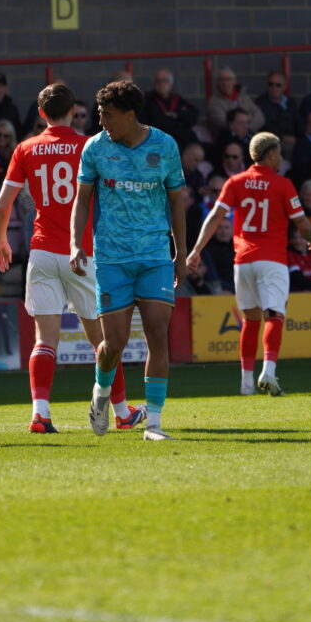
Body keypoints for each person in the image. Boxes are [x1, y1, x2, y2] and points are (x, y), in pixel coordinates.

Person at [0, 83, 146, 433]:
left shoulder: (25, 148)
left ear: (41, 113)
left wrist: (0, 242)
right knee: (102, 341)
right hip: (82, 253)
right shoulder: (89, 146)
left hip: (42, 251)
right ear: (74, 111)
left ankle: (40, 414)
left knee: (45, 340)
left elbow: (3, 204)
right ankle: (121, 412)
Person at [71, 80, 186, 441]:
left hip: (154, 256)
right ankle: (101, 394)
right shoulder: (94, 148)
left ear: (130, 115)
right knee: (113, 345)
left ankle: (153, 423)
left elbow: (177, 202)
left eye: (107, 114)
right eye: (99, 113)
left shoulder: (165, 146)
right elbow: (83, 200)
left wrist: (180, 253)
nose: (101, 120)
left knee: (157, 335)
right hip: (112, 258)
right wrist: (77, 243)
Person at [187, 132, 311, 396]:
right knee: (275, 315)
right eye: (279, 154)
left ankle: (246, 383)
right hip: (271, 260)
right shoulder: (283, 185)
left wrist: (196, 250)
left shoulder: (235, 182)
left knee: (250, 320)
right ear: (270, 155)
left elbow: (215, 216)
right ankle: (268, 371)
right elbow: (301, 222)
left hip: (243, 261)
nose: (281, 159)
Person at [141, 68, 199, 148]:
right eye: (158, 81)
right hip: (160, 141)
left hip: (182, 137)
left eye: (165, 81)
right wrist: (177, 120)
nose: (161, 84)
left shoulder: (177, 99)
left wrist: (177, 114)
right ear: (154, 83)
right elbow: (155, 121)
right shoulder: (147, 100)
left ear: (171, 84)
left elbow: (193, 115)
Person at [205, 66, 263, 137]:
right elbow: (224, 124)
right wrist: (248, 117)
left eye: (228, 79)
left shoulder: (243, 96)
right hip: (227, 140)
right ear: (218, 83)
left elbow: (260, 117)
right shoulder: (213, 102)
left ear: (234, 81)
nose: (225, 83)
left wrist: (247, 130)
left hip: (250, 137)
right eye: (221, 80)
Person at [255, 71, 300, 146]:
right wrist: (282, 137)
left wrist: (299, 138)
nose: (274, 88)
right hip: (271, 142)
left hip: (293, 141)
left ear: (284, 87)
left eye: (278, 85)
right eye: (270, 84)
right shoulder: (260, 103)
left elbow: (298, 122)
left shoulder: (291, 102)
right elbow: (265, 125)